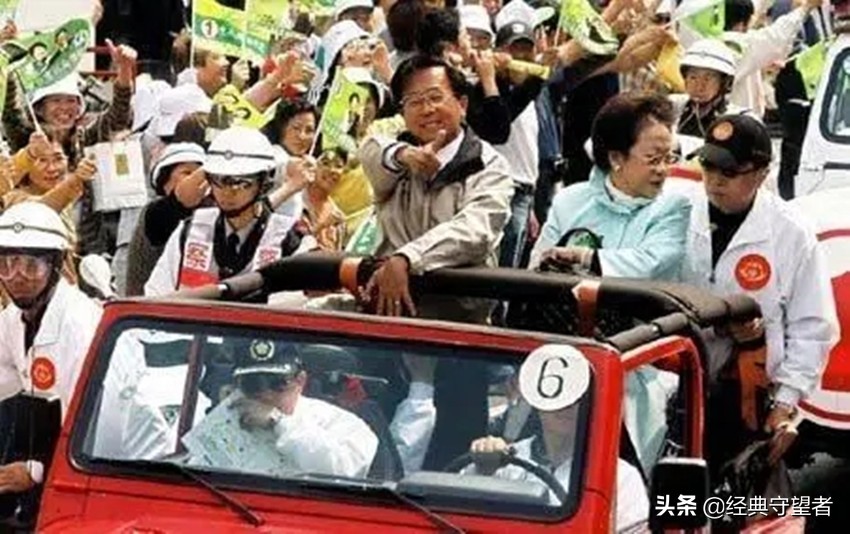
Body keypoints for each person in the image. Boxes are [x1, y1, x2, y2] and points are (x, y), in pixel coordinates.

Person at [680, 114, 838, 466]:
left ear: (762, 173)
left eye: (729, 172)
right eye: (708, 168)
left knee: (730, 504)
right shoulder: (680, 211)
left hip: (747, 393)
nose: (715, 181)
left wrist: (785, 403)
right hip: (675, 383)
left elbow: (812, 328)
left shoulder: (791, 233)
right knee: (669, 500)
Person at [358, 54, 514, 321]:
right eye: (415, 102)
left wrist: (407, 258)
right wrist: (404, 156)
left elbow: (476, 230)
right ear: (403, 112)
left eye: (435, 97)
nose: (427, 109)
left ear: (462, 104)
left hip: (457, 326)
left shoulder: (488, 164)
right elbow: (371, 153)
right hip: (388, 318)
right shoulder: (394, 156)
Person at [0, 202, 102, 521]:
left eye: (32, 266)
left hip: (105, 463)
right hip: (60, 443)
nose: (17, 277)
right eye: (6, 265)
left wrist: (36, 470)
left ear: (56, 265)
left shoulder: (80, 325)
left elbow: (93, 424)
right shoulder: (13, 317)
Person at [528, 92, 691, 280]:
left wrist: (585, 258)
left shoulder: (673, 207)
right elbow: (538, 267)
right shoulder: (569, 200)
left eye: (669, 158)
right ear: (616, 158)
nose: (663, 169)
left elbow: (651, 264)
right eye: (653, 159)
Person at [144, 127, 316, 296]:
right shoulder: (188, 230)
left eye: (241, 182)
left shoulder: (291, 240)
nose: (227, 191)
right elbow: (155, 296)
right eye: (219, 180)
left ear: (264, 182)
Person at [186, 339, 379, 478]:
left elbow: (343, 472)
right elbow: (197, 480)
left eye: (277, 383)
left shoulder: (340, 423)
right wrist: (222, 418)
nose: (266, 393)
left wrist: (278, 422)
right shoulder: (227, 423)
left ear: (300, 381)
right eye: (253, 384)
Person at [466, 399, 648, 530]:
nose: (567, 405)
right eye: (556, 397)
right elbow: (454, 518)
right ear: (537, 401)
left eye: (576, 398)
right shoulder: (504, 460)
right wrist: (481, 469)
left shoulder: (620, 475)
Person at [125, 143, 206, 296]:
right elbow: (178, 202)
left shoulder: (209, 216)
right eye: (187, 173)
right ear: (164, 180)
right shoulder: (155, 213)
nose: (198, 180)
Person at [672, 39, 746, 140]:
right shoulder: (673, 107)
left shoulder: (738, 119)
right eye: (693, 77)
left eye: (708, 79)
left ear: (725, 83)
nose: (699, 87)